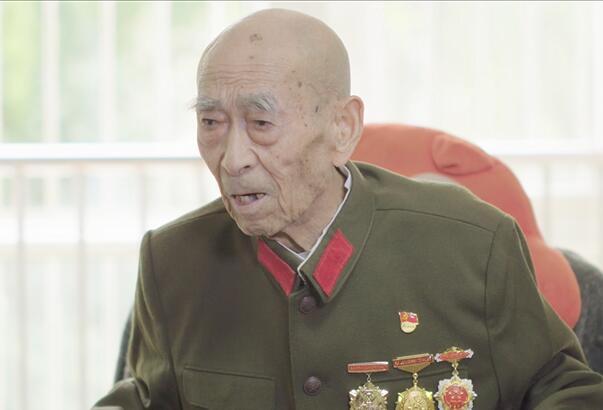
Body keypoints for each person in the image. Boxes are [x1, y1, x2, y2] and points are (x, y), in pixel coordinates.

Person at [94, 8, 603, 410]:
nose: (232, 159)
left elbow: (565, 389)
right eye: (211, 123)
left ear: (342, 128)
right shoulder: (173, 261)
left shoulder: (472, 243)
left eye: (261, 123)